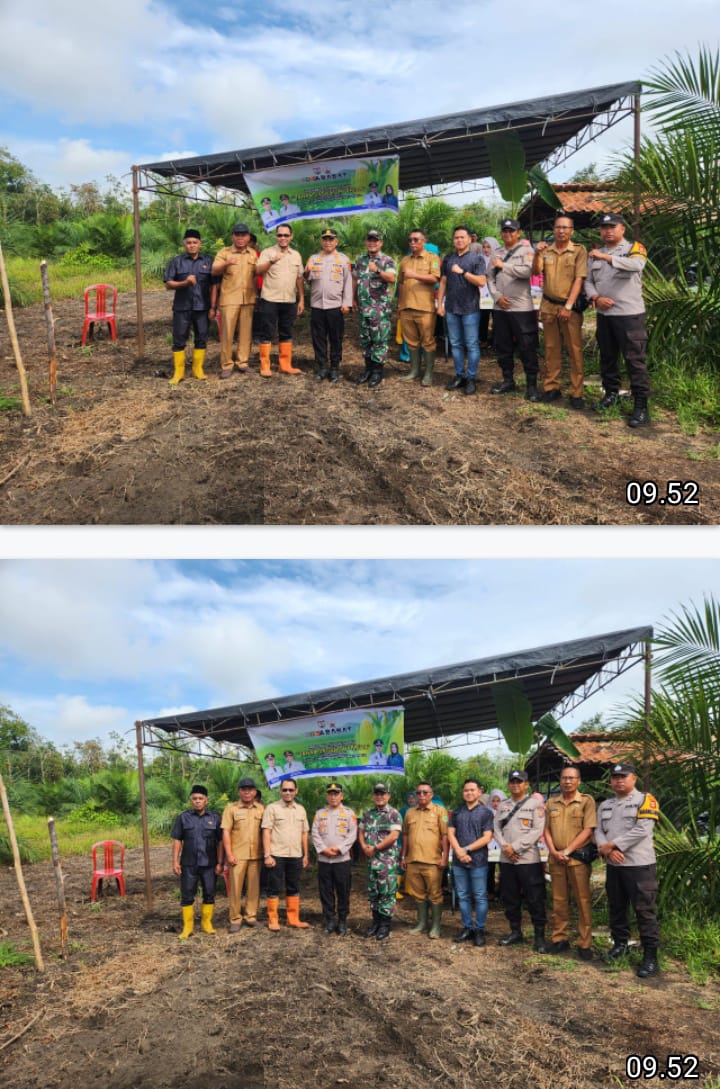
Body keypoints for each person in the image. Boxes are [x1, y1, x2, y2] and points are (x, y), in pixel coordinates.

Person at [585, 213, 652, 427]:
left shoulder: (634, 248)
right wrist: (595, 297)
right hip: (605, 316)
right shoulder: (594, 255)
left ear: (622, 229)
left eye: (612, 226)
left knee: (634, 360)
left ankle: (641, 406)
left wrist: (606, 258)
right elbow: (588, 281)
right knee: (607, 358)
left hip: (629, 315)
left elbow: (636, 266)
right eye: (604, 227)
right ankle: (610, 395)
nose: (608, 231)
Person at [595, 763, 660, 977]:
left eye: (623, 776)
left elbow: (642, 830)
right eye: (615, 777)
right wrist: (607, 849)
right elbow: (599, 831)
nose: (618, 780)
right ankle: (619, 946)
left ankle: (650, 958)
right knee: (616, 908)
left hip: (639, 866)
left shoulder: (645, 800)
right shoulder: (605, 805)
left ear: (634, 778)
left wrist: (612, 845)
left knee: (644, 911)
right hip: (615, 866)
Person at [532, 215, 588, 408]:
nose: (561, 231)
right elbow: (535, 272)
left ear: (571, 231)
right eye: (558, 227)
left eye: (565, 228)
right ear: (553, 230)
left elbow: (579, 280)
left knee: (574, 349)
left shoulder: (579, 251)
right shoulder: (546, 251)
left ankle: (576, 392)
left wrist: (568, 306)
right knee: (550, 348)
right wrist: (536, 254)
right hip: (548, 305)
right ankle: (551, 387)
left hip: (568, 307)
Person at [543, 768, 597, 959]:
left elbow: (588, 830)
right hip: (556, 859)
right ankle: (560, 939)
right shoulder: (551, 802)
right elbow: (546, 830)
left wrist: (566, 851)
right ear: (560, 780)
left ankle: (584, 943)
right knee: (559, 900)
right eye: (564, 778)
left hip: (577, 860)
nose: (567, 781)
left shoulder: (586, 801)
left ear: (579, 781)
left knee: (583, 901)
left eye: (571, 778)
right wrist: (554, 852)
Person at [486, 219, 540, 401]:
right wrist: (496, 297)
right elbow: (490, 278)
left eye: (511, 230)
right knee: (503, 346)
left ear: (518, 233)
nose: (507, 233)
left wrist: (505, 266)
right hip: (500, 307)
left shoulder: (527, 251)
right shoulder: (497, 253)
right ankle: (508, 380)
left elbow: (528, 272)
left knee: (527, 346)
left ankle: (531, 385)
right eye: (504, 230)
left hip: (521, 307)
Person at [494, 769, 547, 952]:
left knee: (535, 898)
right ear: (509, 784)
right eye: (512, 781)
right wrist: (505, 848)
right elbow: (496, 829)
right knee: (510, 897)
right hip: (507, 861)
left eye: (519, 781)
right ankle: (515, 932)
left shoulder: (536, 805)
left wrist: (514, 848)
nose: (515, 784)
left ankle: (539, 937)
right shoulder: (503, 806)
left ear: (526, 784)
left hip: (528, 860)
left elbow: (536, 831)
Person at [163, 229, 218, 385]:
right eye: (189, 243)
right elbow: (168, 284)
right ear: (184, 244)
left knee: (201, 338)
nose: (192, 245)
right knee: (179, 339)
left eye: (195, 242)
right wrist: (184, 283)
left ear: (200, 244)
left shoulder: (208, 262)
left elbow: (214, 286)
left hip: (202, 308)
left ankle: (197, 369)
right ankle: (178, 372)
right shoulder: (176, 262)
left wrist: (213, 307)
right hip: (182, 307)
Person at [437, 225, 487, 396]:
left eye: (462, 237)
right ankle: (459, 375)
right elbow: (443, 282)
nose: (459, 240)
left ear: (469, 239)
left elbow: (481, 281)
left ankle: (471, 378)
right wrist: (439, 304)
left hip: (470, 308)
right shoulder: (448, 258)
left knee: (471, 344)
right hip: (451, 307)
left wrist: (463, 272)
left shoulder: (476, 259)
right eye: (456, 237)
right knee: (455, 344)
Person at [171, 784, 224, 939]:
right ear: (191, 800)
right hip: (189, 864)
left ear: (206, 800)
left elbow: (220, 842)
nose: (197, 801)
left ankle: (206, 923)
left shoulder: (215, 818)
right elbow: (177, 841)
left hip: (209, 864)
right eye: (194, 798)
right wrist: (175, 861)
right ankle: (188, 926)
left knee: (209, 893)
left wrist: (220, 863)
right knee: (187, 894)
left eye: (201, 798)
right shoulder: (183, 817)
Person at [447, 778, 494, 946]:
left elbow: (487, 837)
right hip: (460, 862)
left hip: (478, 861)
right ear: (463, 792)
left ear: (479, 791)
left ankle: (479, 929)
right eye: (466, 790)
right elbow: (451, 833)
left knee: (480, 896)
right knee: (463, 896)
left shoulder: (486, 813)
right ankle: (467, 927)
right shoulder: (457, 812)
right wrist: (459, 852)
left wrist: (466, 849)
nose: (469, 793)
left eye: (472, 790)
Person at [255, 225, 305, 377]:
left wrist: (301, 298)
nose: (283, 238)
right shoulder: (268, 252)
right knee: (267, 333)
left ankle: (285, 365)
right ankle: (265, 366)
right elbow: (257, 271)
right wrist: (271, 261)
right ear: (276, 237)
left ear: (291, 237)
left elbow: (299, 278)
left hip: (289, 300)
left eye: (286, 235)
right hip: (270, 299)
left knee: (286, 332)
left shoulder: (296, 255)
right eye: (280, 235)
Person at [304, 228, 353, 381]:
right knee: (318, 338)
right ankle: (322, 367)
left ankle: (334, 368)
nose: (328, 242)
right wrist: (307, 270)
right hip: (318, 305)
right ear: (321, 241)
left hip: (335, 306)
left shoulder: (343, 260)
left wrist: (347, 303)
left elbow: (348, 283)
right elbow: (307, 278)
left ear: (336, 241)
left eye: (331, 239)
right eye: (325, 239)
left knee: (336, 338)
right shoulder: (314, 258)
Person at [261, 778, 311, 929]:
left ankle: (293, 919)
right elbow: (266, 831)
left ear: (296, 791)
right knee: (274, 888)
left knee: (294, 887)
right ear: (280, 791)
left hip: (295, 855)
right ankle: (273, 920)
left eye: (291, 790)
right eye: (285, 790)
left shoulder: (301, 809)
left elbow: (304, 833)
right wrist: (267, 855)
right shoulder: (272, 808)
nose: (288, 793)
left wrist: (306, 855)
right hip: (276, 855)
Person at [401, 781, 449, 938]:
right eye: (419, 792)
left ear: (431, 794)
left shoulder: (440, 811)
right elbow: (406, 836)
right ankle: (421, 923)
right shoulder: (409, 813)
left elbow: (445, 836)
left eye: (425, 792)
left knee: (435, 894)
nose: (421, 795)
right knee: (418, 895)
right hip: (413, 860)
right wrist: (404, 856)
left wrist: (445, 857)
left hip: (433, 861)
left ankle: (436, 926)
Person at [311, 781, 358, 935]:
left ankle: (342, 920)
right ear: (326, 796)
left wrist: (339, 849)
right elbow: (315, 834)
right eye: (330, 794)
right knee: (325, 891)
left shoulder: (349, 814)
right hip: (324, 860)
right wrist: (324, 849)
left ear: (341, 796)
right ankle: (330, 920)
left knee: (343, 890)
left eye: (336, 793)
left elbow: (352, 835)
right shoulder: (319, 814)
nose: (333, 796)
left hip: (342, 860)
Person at [212, 223, 258, 379]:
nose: (240, 238)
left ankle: (243, 362)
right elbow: (214, 270)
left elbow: (257, 273)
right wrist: (226, 263)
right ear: (233, 236)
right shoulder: (224, 252)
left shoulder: (253, 254)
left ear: (248, 237)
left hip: (248, 298)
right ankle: (227, 364)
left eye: (243, 235)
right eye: (237, 235)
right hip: (229, 298)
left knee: (246, 333)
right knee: (227, 333)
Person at [358, 783, 403, 940]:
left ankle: (385, 925)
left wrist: (375, 848)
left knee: (387, 893)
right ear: (373, 796)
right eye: (377, 793)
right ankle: (375, 923)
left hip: (387, 862)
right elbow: (361, 831)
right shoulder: (368, 814)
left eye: (382, 793)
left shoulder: (393, 814)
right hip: (371, 861)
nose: (379, 796)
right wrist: (364, 847)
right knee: (373, 893)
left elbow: (394, 836)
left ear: (388, 796)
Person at [398, 228, 441, 387]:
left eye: (416, 240)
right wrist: (400, 304)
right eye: (410, 240)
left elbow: (435, 278)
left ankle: (428, 373)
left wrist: (415, 275)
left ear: (424, 242)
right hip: (406, 307)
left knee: (428, 342)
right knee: (411, 342)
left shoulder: (432, 258)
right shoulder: (404, 260)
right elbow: (401, 283)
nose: (412, 243)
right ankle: (414, 370)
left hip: (424, 308)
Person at [353, 229, 396, 388]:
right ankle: (368, 370)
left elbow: (392, 278)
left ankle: (377, 372)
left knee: (379, 340)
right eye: (370, 240)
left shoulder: (387, 260)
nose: (372, 243)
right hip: (363, 308)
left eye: (375, 240)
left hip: (379, 310)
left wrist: (377, 270)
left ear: (380, 243)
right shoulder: (360, 260)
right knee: (365, 340)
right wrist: (353, 298)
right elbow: (355, 279)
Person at [221, 777, 264, 932]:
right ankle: (235, 919)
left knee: (254, 888)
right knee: (236, 888)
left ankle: (251, 916)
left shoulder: (261, 809)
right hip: (237, 856)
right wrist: (229, 853)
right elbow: (226, 831)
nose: (247, 792)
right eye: (244, 789)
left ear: (254, 792)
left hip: (256, 855)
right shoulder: (231, 809)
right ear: (239, 791)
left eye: (250, 789)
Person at [479, 237, 499, 346]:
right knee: (483, 316)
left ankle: (496, 340)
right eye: (484, 247)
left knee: (497, 317)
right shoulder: (479, 259)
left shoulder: (498, 260)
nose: (486, 250)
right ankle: (483, 339)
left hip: (495, 292)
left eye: (489, 247)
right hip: (482, 292)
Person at [486, 787, 506, 899]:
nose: (495, 803)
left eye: (498, 801)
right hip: (489, 844)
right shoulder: (486, 813)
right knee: (489, 868)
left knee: (504, 869)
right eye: (493, 801)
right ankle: (490, 891)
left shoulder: (507, 812)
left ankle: (502, 892)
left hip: (502, 844)